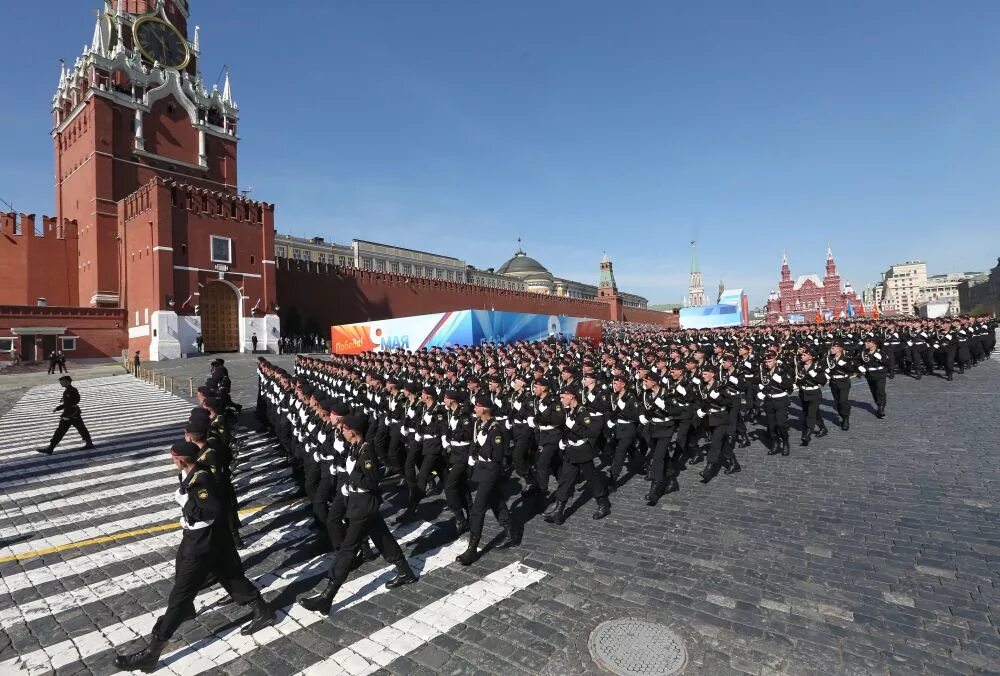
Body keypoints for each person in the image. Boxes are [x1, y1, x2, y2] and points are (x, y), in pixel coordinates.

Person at [114, 441, 276, 671]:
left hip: (202, 542)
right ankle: (263, 611)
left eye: (173, 457)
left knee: (181, 593)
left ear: (179, 459)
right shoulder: (189, 472)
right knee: (227, 574)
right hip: (203, 538)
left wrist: (187, 503)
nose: (172, 461)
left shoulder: (201, 479)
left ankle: (152, 652)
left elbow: (212, 511)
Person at [297, 414, 418, 615]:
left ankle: (327, 596)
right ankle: (406, 572)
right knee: (382, 537)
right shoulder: (355, 448)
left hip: (363, 506)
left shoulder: (366, 452)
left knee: (347, 549)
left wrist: (352, 484)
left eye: (344, 430)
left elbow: (373, 480)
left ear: (352, 432)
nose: (342, 432)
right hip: (359, 503)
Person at [36, 375, 94, 455]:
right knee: (74, 429)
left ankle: (50, 448)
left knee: (73, 430)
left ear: (67, 381)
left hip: (72, 415)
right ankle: (50, 448)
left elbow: (75, 401)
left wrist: (68, 415)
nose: (60, 383)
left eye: (62, 381)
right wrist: (58, 408)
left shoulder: (72, 390)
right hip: (70, 414)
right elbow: (67, 403)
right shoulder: (67, 390)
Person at [858, 336, 888, 419]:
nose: (866, 344)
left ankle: (881, 408)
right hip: (870, 374)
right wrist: (859, 368)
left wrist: (881, 359)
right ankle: (879, 405)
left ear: (873, 344)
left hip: (880, 374)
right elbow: (857, 361)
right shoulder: (864, 352)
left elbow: (888, 363)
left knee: (880, 390)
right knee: (874, 392)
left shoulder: (881, 352)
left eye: (868, 342)